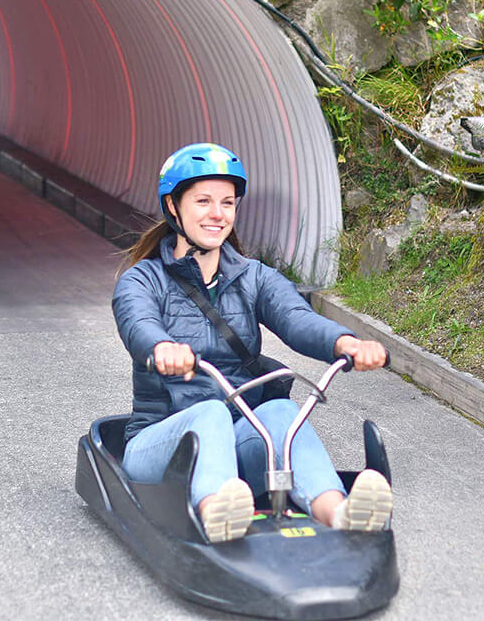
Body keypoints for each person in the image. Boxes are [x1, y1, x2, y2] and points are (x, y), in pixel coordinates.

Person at [112, 143, 393, 544]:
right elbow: (138, 323)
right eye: (203, 201)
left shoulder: (253, 277)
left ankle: (341, 512)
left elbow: (297, 318)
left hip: (234, 433)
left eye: (227, 202)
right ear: (173, 206)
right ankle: (216, 514)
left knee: (279, 412)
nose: (217, 214)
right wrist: (160, 348)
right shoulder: (142, 281)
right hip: (158, 443)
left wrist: (344, 342)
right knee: (209, 413)